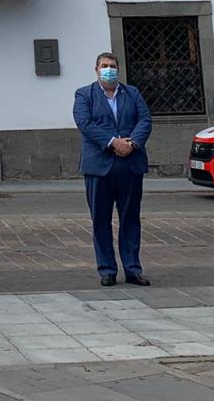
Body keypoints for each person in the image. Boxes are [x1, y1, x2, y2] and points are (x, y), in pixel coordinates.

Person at [72, 52, 152, 287]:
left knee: (130, 218)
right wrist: (113, 142)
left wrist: (132, 143)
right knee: (101, 219)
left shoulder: (132, 93)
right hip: (99, 166)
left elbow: (145, 120)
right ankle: (107, 269)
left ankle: (132, 269)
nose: (109, 69)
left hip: (130, 164)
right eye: (104, 66)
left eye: (112, 66)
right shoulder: (84, 94)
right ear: (96, 69)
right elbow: (85, 123)